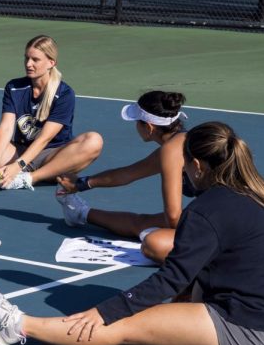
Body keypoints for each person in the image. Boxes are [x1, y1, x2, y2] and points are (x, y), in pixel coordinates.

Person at [0, 122, 264, 345]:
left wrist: (108, 311)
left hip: (251, 330)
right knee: (176, 299)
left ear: (195, 165)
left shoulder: (206, 212)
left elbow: (170, 278)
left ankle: (17, 326)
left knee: (122, 325)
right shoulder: (263, 194)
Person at [0, 34, 102, 190]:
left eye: (35, 60)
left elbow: (45, 138)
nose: (28, 64)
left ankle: (28, 179)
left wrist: (18, 165)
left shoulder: (64, 93)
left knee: (94, 140)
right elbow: (6, 126)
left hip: (52, 158)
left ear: (51, 62)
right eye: (26, 58)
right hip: (19, 151)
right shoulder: (14, 87)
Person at [55, 91, 190, 262]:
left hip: (223, 222)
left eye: (136, 122)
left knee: (153, 243)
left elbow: (172, 217)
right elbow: (127, 174)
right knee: (142, 224)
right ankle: (80, 213)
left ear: (148, 127)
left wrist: (172, 234)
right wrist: (80, 184)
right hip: (215, 213)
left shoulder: (171, 151)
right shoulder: (181, 141)